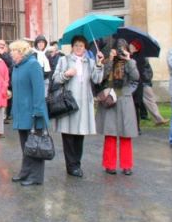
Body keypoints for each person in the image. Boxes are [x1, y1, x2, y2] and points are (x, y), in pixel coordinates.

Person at [52, 35, 104, 178]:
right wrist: (66, 74)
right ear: (72, 47)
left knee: (80, 135)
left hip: (84, 103)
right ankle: (71, 165)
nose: (78, 48)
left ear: (85, 47)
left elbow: (97, 79)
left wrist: (99, 64)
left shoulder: (90, 62)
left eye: (81, 46)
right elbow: (55, 78)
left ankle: (77, 163)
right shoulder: (64, 60)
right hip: (69, 102)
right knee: (68, 136)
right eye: (76, 45)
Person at [96, 39, 139, 175]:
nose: (120, 50)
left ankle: (127, 165)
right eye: (118, 48)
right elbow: (102, 78)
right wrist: (110, 59)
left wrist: (129, 59)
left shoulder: (129, 62)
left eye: (123, 48)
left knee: (126, 134)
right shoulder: (108, 61)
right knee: (111, 133)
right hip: (110, 100)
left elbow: (136, 77)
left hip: (124, 99)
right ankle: (110, 165)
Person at [9, 39, 49, 187]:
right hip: (21, 113)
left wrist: (38, 111)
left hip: (33, 113)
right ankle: (25, 172)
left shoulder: (33, 65)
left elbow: (39, 90)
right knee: (26, 145)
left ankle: (36, 177)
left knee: (35, 146)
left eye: (13, 51)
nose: (11, 54)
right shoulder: (17, 67)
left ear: (21, 52)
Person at [130, 39, 168, 127]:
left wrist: (146, 80)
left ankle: (158, 119)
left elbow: (144, 71)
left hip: (143, 82)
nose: (130, 47)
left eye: (132, 46)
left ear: (136, 48)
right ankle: (157, 119)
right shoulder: (136, 57)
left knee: (149, 100)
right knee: (142, 102)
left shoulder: (139, 58)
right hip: (139, 82)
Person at [0, 39, 14, 122]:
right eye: (0, 44)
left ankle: (7, 115)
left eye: (3, 44)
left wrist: (3, 54)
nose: (2, 46)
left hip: (6, 79)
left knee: (8, 97)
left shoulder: (7, 55)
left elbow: (11, 65)